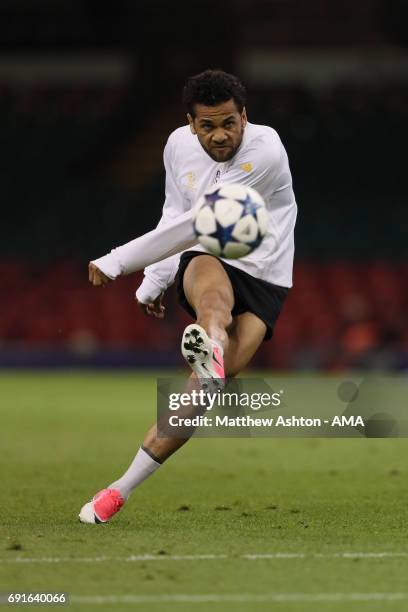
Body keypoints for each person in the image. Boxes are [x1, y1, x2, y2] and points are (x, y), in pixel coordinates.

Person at [79, 69, 297, 524]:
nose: (220, 135)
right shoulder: (177, 146)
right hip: (209, 256)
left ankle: (209, 356)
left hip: (266, 275)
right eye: (207, 126)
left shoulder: (265, 151)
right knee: (212, 305)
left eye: (228, 123)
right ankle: (118, 492)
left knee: (213, 384)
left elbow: (197, 218)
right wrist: (155, 280)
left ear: (244, 116)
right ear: (190, 123)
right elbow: (174, 213)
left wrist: (119, 261)